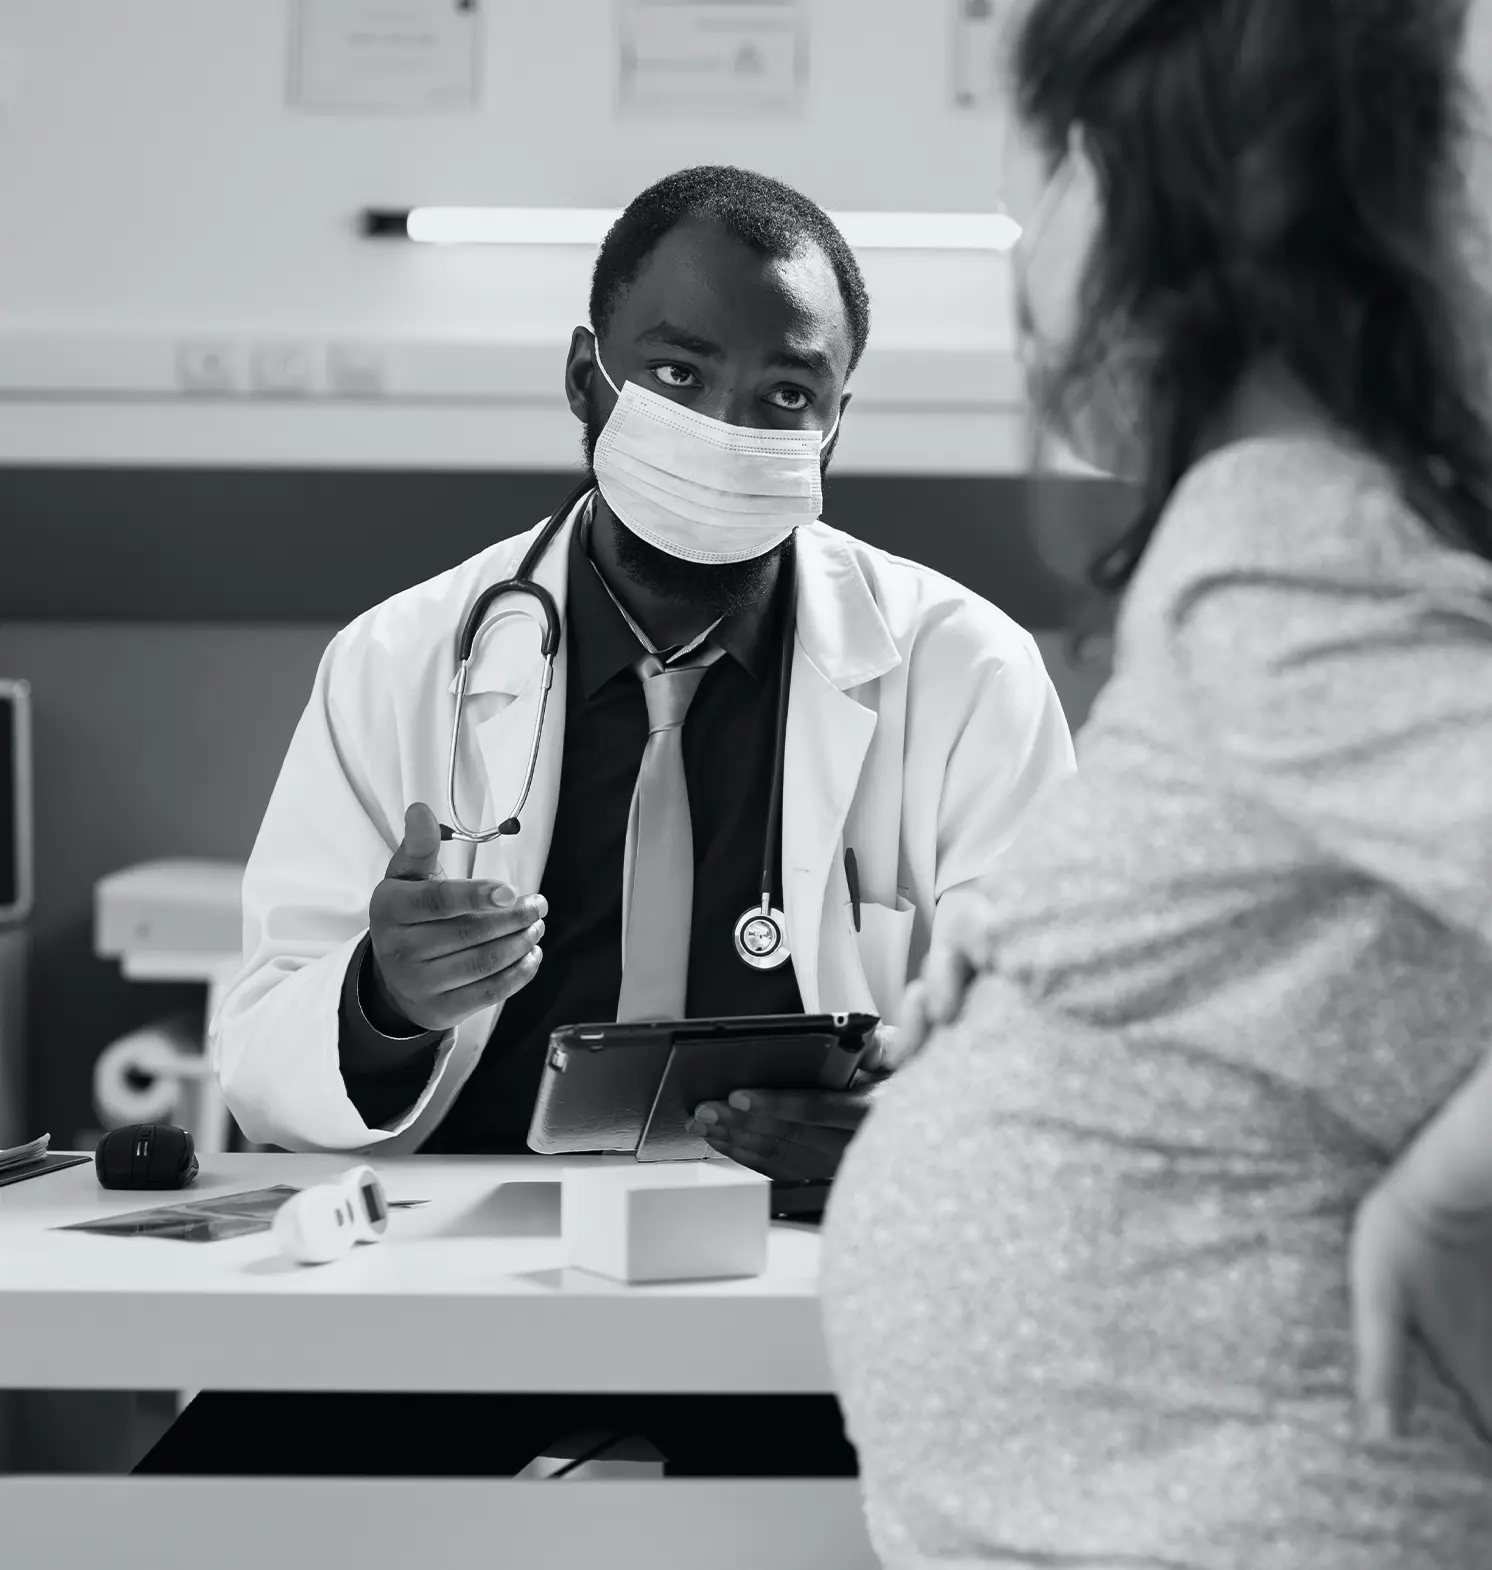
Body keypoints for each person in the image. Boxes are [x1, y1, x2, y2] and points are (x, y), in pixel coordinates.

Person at [137, 165, 1073, 1478]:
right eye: (677, 376)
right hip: (457, 1275)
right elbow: (263, 1039)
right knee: (205, 1520)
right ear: (589, 382)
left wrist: (910, 1138)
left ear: (835, 426)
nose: (727, 427)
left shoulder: (965, 672)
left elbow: (1057, 1048)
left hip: (807, 1278)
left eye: (785, 395)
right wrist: (385, 1000)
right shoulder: (400, 661)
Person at [818, 1, 1492, 1565]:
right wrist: (1038, 955)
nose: (1023, 246)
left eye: (1054, 173)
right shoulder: (1311, 537)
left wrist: (1455, 1195)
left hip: (1233, 1491)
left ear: (1168, 206)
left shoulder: (1278, 538)